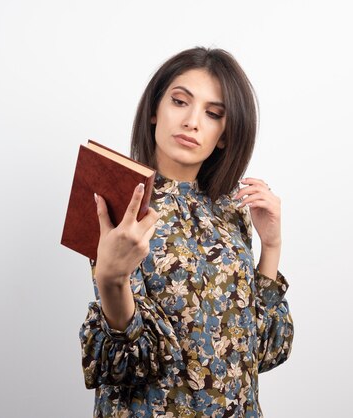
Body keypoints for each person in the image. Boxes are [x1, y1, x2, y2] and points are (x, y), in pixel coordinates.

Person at [79, 46, 294, 417]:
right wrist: (111, 280)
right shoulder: (122, 200)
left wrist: (270, 245)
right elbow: (126, 366)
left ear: (225, 134)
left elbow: (261, 349)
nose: (193, 121)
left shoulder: (230, 210)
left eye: (213, 114)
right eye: (180, 102)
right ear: (153, 111)